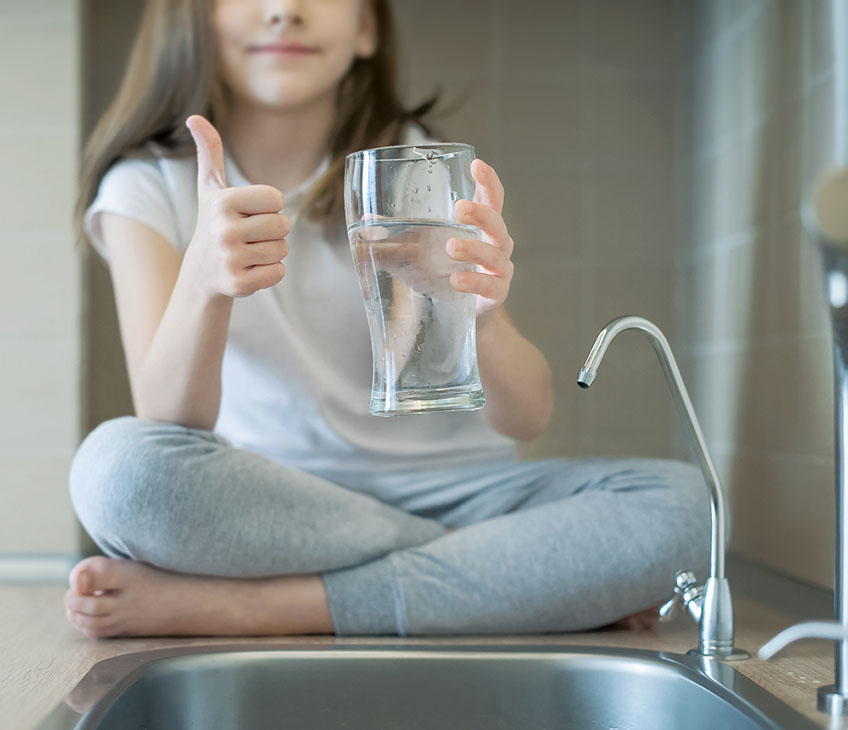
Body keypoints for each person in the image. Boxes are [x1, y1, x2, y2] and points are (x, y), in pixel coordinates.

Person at [65, 0, 710, 640]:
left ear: (367, 26)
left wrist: (483, 318)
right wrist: (203, 284)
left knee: (687, 512)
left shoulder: (414, 164)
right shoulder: (145, 186)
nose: (285, 11)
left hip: (466, 491)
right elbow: (168, 419)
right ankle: (494, 570)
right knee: (116, 473)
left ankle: (260, 608)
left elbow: (528, 416)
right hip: (277, 509)